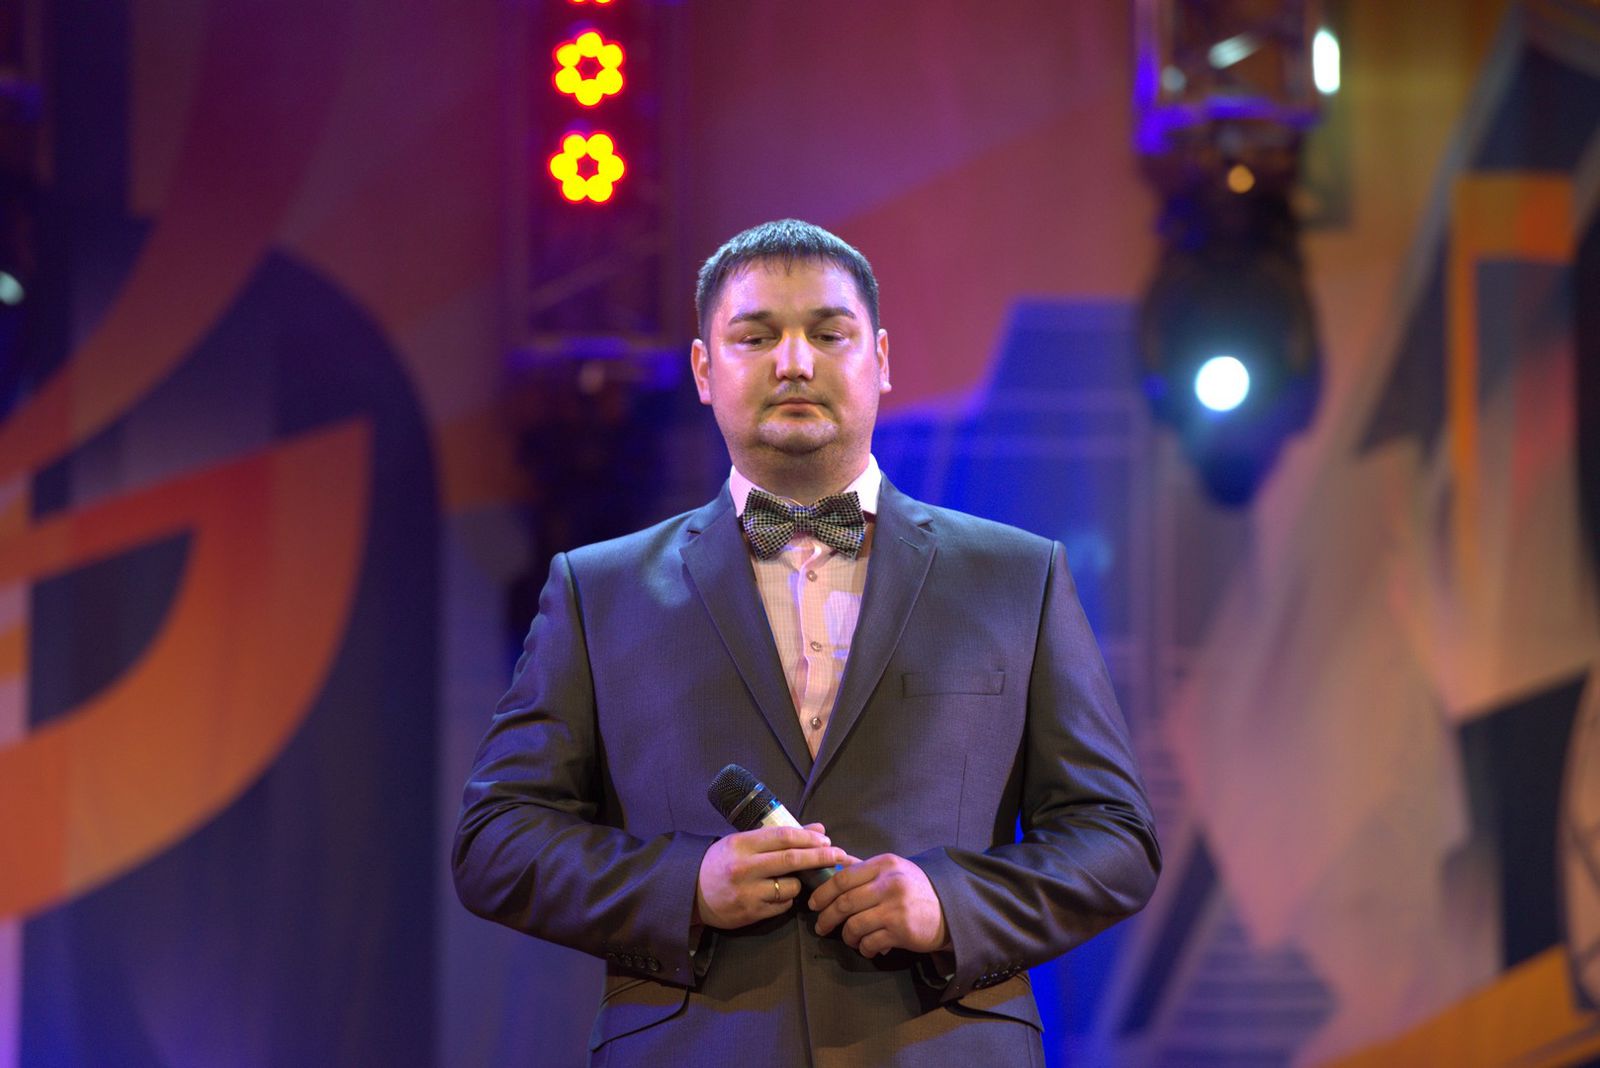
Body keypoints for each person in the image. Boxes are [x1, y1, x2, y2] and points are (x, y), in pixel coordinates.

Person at [453, 219, 1160, 1066]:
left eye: (828, 334)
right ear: (704, 371)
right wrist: (686, 885)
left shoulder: (1016, 576)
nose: (794, 363)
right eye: (756, 338)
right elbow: (495, 841)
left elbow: (1115, 838)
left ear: (881, 359)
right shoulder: (597, 590)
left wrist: (950, 902)